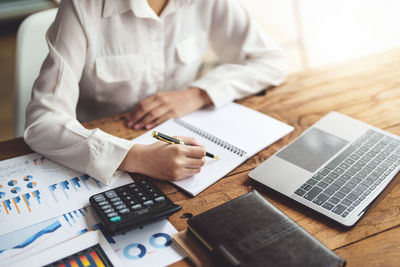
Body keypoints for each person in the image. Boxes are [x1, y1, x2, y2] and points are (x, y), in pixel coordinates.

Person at [24, 0, 288, 185]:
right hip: (102, 145)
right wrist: (135, 157)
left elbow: (271, 61)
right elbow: (42, 123)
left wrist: (199, 94)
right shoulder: (83, 6)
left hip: (181, 137)